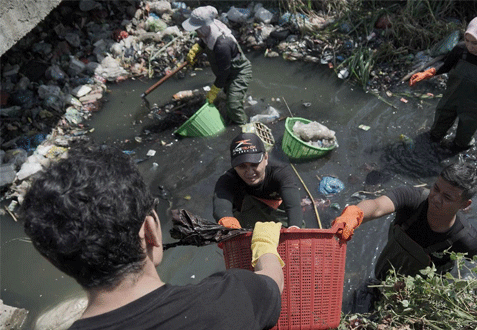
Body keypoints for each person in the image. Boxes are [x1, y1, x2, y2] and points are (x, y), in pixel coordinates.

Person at [20, 143, 284, 329]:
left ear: (55, 261)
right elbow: (272, 282)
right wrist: (264, 247)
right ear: (150, 230)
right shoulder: (228, 299)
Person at [332, 162, 477, 280]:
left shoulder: (463, 237)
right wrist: (355, 213)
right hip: (388, 267)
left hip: (422, 291)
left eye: (447, 197)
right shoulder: (413, 198)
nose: (435, 198)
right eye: (436, 188)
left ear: (464, 204)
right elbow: (377, 206)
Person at [409, 16, 477, 154]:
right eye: (467, 40)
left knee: (462, 141)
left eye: (474, 42)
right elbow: (446, 66)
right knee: (436, 132)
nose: (470, 46)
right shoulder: (461, 50)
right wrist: (428, 73)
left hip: (474, 106)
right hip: (451, 97)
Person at [213, 132, 304, 229]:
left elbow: (294, 206)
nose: (249, 172)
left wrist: (294, 228)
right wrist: (230, 225)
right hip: (246, 211)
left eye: (254, 164)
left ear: (265, 158)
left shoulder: (281, 173)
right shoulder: (227, 179)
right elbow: (220, 205)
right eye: (242, 166)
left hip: (274, 208)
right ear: (234, 166)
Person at [183, 6, 252, 125]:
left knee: (234, 106)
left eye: (196, 29)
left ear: (203, 27)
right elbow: (204, 40)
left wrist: (213, 92)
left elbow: (223, 73)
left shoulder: (222, 44)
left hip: (238, 72)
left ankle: (244, 126)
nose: (196, 32)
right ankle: (237, 100)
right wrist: (196, 48)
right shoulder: (208, 28)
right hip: (226, 69)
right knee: (229, 96)